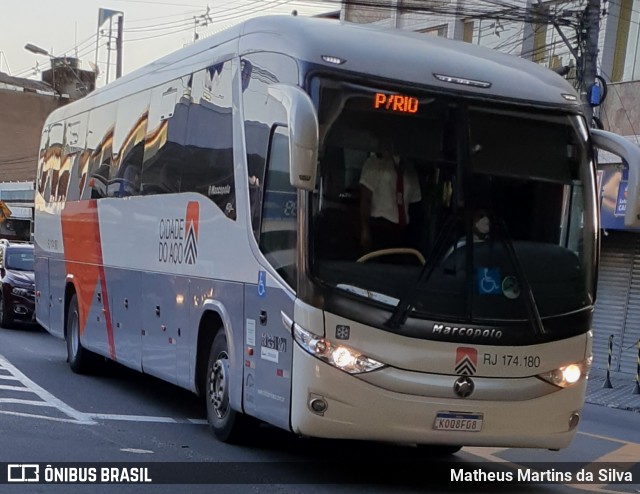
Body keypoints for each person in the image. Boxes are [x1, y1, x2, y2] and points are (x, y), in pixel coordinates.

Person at [359, 137, 421, 252]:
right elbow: (365, 198)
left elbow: (415, 203)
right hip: (380, 226)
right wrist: (365, 229)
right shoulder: (374, 164)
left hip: (403, 230)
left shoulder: (410, 170)